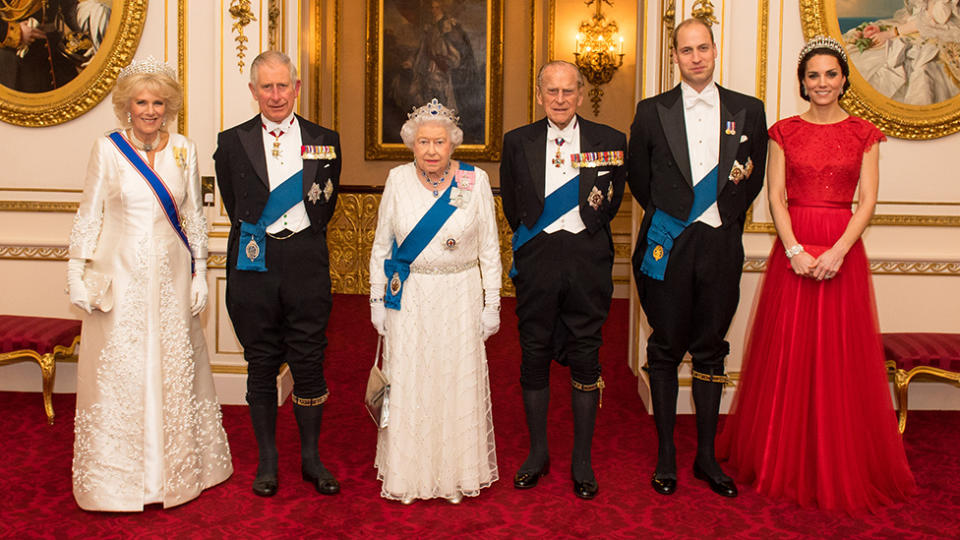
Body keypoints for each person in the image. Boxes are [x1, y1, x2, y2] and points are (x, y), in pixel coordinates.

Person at [716, 35, 917, 513]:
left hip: (841, 249)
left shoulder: (864, 133)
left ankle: (837, 458)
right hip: (796, 250)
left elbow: (867, 201)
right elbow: (776, 197)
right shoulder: (784, 131)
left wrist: (838, 252)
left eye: (830, 74)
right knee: (790, 352)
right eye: (813, 75)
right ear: (803, 83)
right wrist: (795, 250)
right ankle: (782, 456)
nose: (822, 82)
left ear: (844, 79)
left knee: (839, 357)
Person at [67, 57, 232, 511]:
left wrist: (200, 272)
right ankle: (121, 481)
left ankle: (176, 474)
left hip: (174, 274)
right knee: (124, 370)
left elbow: (195, 217)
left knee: (174, 366)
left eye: (158, 102)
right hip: (120, 274)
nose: (150, 110)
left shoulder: (184, 148)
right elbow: (89, 214)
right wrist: (75, 273)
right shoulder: (108, 149)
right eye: (142, 101)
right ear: (126, 106)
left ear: (169, 106)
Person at [627, 18, 768, 498]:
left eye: (702, 47)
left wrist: (719, 219)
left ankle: (706, 457)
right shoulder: (651, 111)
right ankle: (666, 454)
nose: (696, 57)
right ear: (675, 56)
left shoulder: (749, 110)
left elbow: (753, 179)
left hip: (720, 243)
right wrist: (678, 216)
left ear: (714, 49)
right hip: (668, 241)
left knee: (711, 348)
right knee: (665, 346)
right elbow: (640, 180)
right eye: (686, 50)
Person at [214, 50, 341, 498]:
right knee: (261, 362)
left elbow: (326, 203)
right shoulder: (231, 142)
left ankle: (311, 459)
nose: (275, 95)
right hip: (255, 263)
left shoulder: (326, 139)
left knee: (309, 362)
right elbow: (234, 202)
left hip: (306, 263)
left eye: (282, 85)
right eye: (265, 87)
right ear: (253, 92)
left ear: (296, 88)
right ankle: (268, 461)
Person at [500, 60, 626, 500]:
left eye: (567, 91)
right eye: (551, 91)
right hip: (537, 262)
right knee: (533, 354)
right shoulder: (518, 142)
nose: (559, 99)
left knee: (587, 358)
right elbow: (513, 205)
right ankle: (538, 454)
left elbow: (609, 204)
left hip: (587, 261)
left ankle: (582, 460)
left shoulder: (610, 141)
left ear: (579, 93)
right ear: (539, 95)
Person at [368, 98, 501, 505]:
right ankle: (410, 475)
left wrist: (491, 302)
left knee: (455, 379)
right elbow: (381, 245)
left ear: (452, 145)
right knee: (411, 382)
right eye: (423, 141)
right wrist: (376, 298)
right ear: (411, 144)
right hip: (410, 297)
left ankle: (456, 474)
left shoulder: (474, 181)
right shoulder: (397, 180)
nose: (430, 150)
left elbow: (490, 249)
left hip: (459, 295)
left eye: (439, 142)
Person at [842, 0, 960, 105]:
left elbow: (930, 20)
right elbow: (915, 15)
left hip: (941, 34)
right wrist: (886, 29)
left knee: (921, 70)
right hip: (916, 30)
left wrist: (890, 33)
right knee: (857, 59)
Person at [0, 0, 86, 92]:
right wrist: (15, 32)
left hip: (56, 55)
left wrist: (89, 19)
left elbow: (68, 8)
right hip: (18, 61)